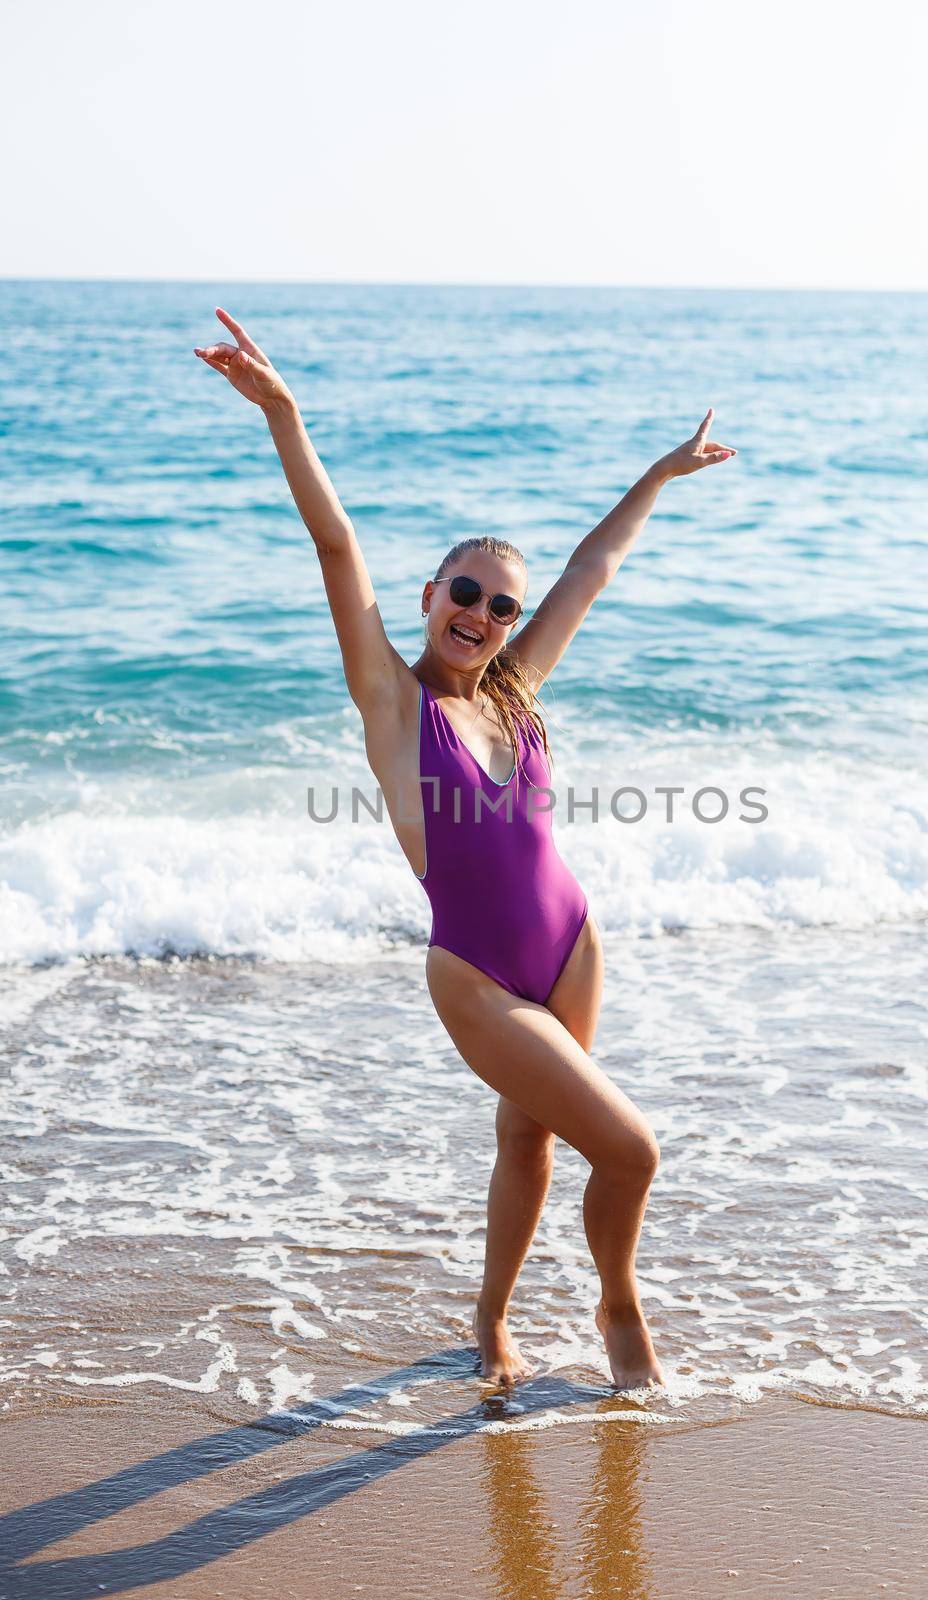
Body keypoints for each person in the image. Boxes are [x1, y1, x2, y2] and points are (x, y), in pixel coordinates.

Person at [194, 308, 736, 1389]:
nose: (483, 613)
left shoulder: (516, 693)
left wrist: (659, 475)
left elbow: (589, 569)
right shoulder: (393, 702)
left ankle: (488, 1323)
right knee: (629, 1151)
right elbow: (336, 545)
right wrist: (285, 417)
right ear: (430, 597)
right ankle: (618, 1308)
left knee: (527, 1141)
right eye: (465, 593)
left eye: (499, 604)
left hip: (571, 943)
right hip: (477, 975)